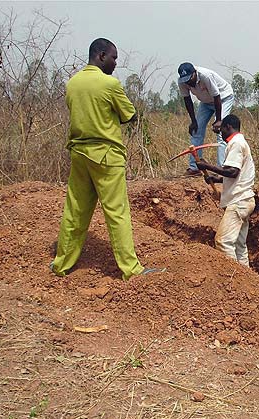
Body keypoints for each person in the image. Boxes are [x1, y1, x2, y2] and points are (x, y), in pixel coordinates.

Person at [51, 38, 161, 280]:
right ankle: (131, 270)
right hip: (106, 156)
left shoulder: (72, 84)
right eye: (113, 58)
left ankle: (61, 264)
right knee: (117, 212)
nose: (114, 64)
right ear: (101, 56)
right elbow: (129, 115)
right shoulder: (109, 84)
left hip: (79, 154)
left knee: (75, 209)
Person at [196, 114, 255, 266]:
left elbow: (233, 171)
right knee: (239, 245)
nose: (220, 134)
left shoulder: (235, 143)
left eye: (221, 129)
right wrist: (216, 178)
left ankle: (234, 279)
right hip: (245, 200)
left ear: (228, 127)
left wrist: (207, 166)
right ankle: (247, 280)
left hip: (238, 202)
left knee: (223, 242)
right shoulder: (240, 143)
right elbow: (236, 174)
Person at [177, 62, 234, 176]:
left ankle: (221, 169)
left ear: (195, 73)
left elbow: (216, 96)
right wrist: (193, 121)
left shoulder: (205, 76)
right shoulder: (182, 81)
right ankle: (194, 168)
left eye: (190, 78)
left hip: (223, 98)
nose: (188, 82)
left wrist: (219, 120)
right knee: (196, 131)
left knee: (221, 133)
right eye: (186, 80)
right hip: (206, 102)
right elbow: (187, 100)